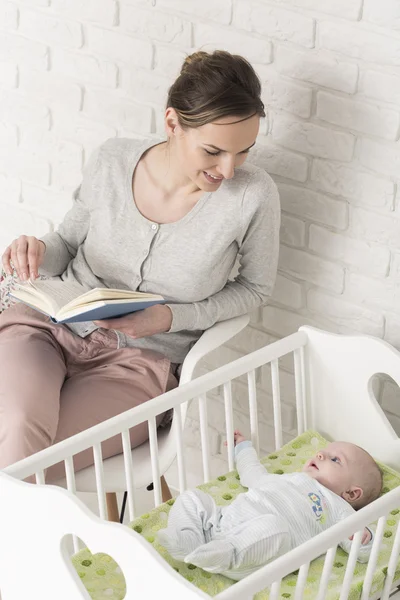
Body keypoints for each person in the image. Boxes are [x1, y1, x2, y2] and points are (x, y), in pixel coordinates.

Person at [0, 50, 280, 481]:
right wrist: (36, 248)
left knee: (32, 460)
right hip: (48, 330)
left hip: (138, 365)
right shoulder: (113, 160)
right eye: (213, 151)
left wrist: (170, 317)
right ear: (172, 124)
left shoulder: (252, 196)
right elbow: (67, 242)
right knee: (15, 426)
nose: (228, 169)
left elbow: (256, 289)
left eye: (243, 151)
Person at [157, 430, 382, 580]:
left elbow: (361, 550)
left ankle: (223, 556)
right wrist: (243, 448)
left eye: (335, 460)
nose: (321, 454)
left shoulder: (337, 507)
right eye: (324, 452)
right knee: (193, 498)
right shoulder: (285, 479)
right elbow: (252, 472)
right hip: (222, 524)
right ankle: (187, 539)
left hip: (257, 550)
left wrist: (362, 538)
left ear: (351, 493)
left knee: (274, 527)